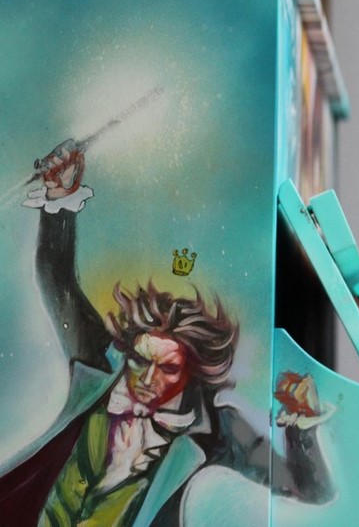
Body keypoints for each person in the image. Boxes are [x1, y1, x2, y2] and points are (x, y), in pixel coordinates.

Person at [0, 139, 336, 526]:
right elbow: (57, 279)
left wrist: (301, 425)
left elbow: (307, 489)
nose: (146, 378)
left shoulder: (218, 428)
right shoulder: (101, 366)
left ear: (193, 371)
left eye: (168, 369)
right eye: (140, 361)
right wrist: (61, 197)